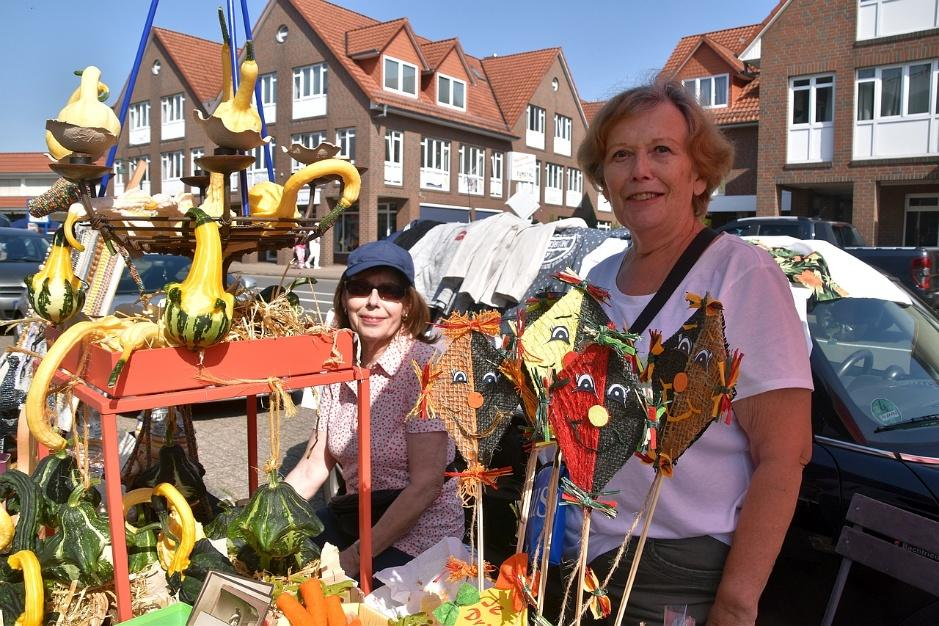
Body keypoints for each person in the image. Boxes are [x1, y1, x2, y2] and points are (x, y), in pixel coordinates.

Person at [558, 82, 813, 625]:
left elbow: (785, 455)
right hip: (590, 555)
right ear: (604, 179)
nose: (639, 170)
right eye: (621, 155)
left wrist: (736, 604)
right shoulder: (599, 281)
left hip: (679, 571)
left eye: (661, 151)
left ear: (699, 175)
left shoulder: (740, 274)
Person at [286, 240, 463, 576]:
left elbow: (426, 486)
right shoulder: (338, 366)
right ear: (344, 297)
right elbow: (312, 468)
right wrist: (263, 517)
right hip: (358, 519)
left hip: (419, 537)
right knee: (280, 561)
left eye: (389, 291)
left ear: (408, 305)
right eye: (360, 288)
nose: (373, 302)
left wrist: (354, 558)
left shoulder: (423, 370)